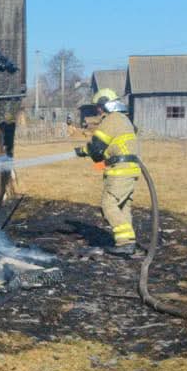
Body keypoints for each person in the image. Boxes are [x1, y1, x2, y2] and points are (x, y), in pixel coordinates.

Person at [75, 87, 141, 255]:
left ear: (106, 105)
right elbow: (104, 150)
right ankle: (127, 243)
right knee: (123, 207)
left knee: (109, 205)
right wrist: (86, 151)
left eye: (99, 106)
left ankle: (125, 242)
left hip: (120, 171)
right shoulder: (124, 120)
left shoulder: (112, 119)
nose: (98, 110)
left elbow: (97, 147)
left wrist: (84, 150)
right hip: (129, 170)